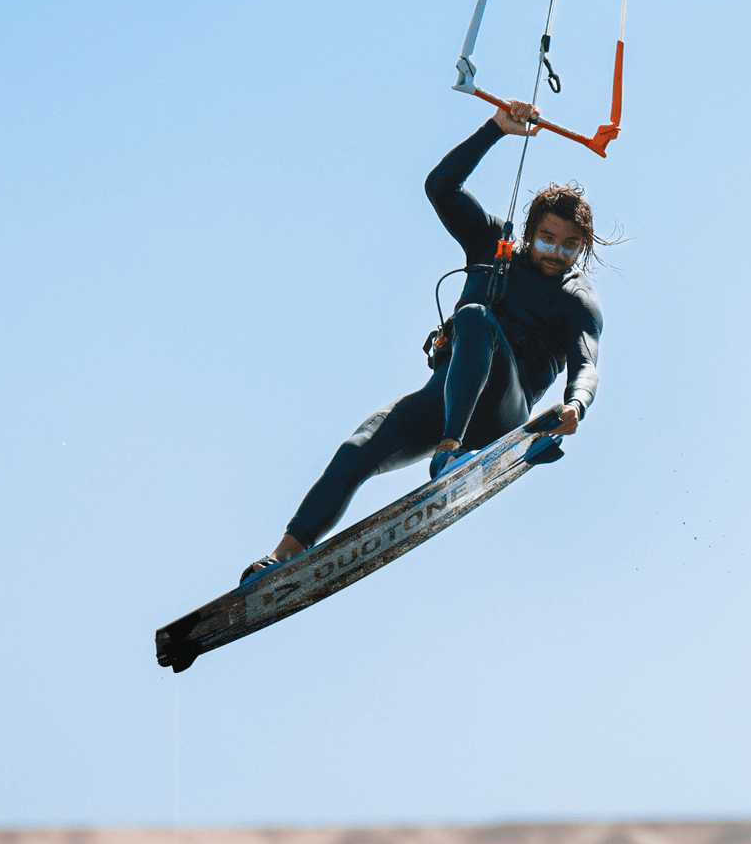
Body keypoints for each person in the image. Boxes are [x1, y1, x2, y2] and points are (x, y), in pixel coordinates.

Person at [244, 98, 605, 582]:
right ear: (528, 233)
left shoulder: (575, 298)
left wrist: (575, 408)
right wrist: (496, 128)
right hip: (442, 401)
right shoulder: (491, 242)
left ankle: (451, 452)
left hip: (502, 416)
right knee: (361, 444)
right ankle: (282, 558)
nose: (556, 254)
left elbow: (586, 364)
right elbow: (440, 187)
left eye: (569, 246)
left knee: (476, 318)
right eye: (546, 240)